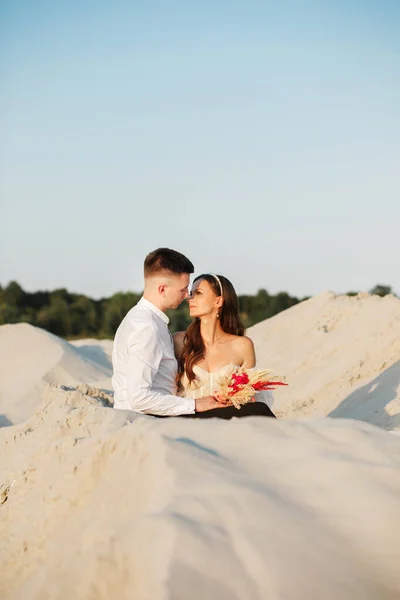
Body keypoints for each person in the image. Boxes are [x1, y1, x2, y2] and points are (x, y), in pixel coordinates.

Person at [112, 248, 227, 416]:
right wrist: (194, 405)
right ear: (162, 289)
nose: (187, 295)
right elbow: (138, 398)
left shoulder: (142, 319)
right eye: (183, 289)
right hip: (145, 422)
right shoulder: (147, 328)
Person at [173, 273, 276, 419]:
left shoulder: (242, 345)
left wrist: (232, 397)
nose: (190, 298)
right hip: (188, 418)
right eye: (191, 294)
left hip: (225, 419)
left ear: (218, 301)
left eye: (198, 293)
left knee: (260, 409)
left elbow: (247, 396)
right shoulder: (180, 341)